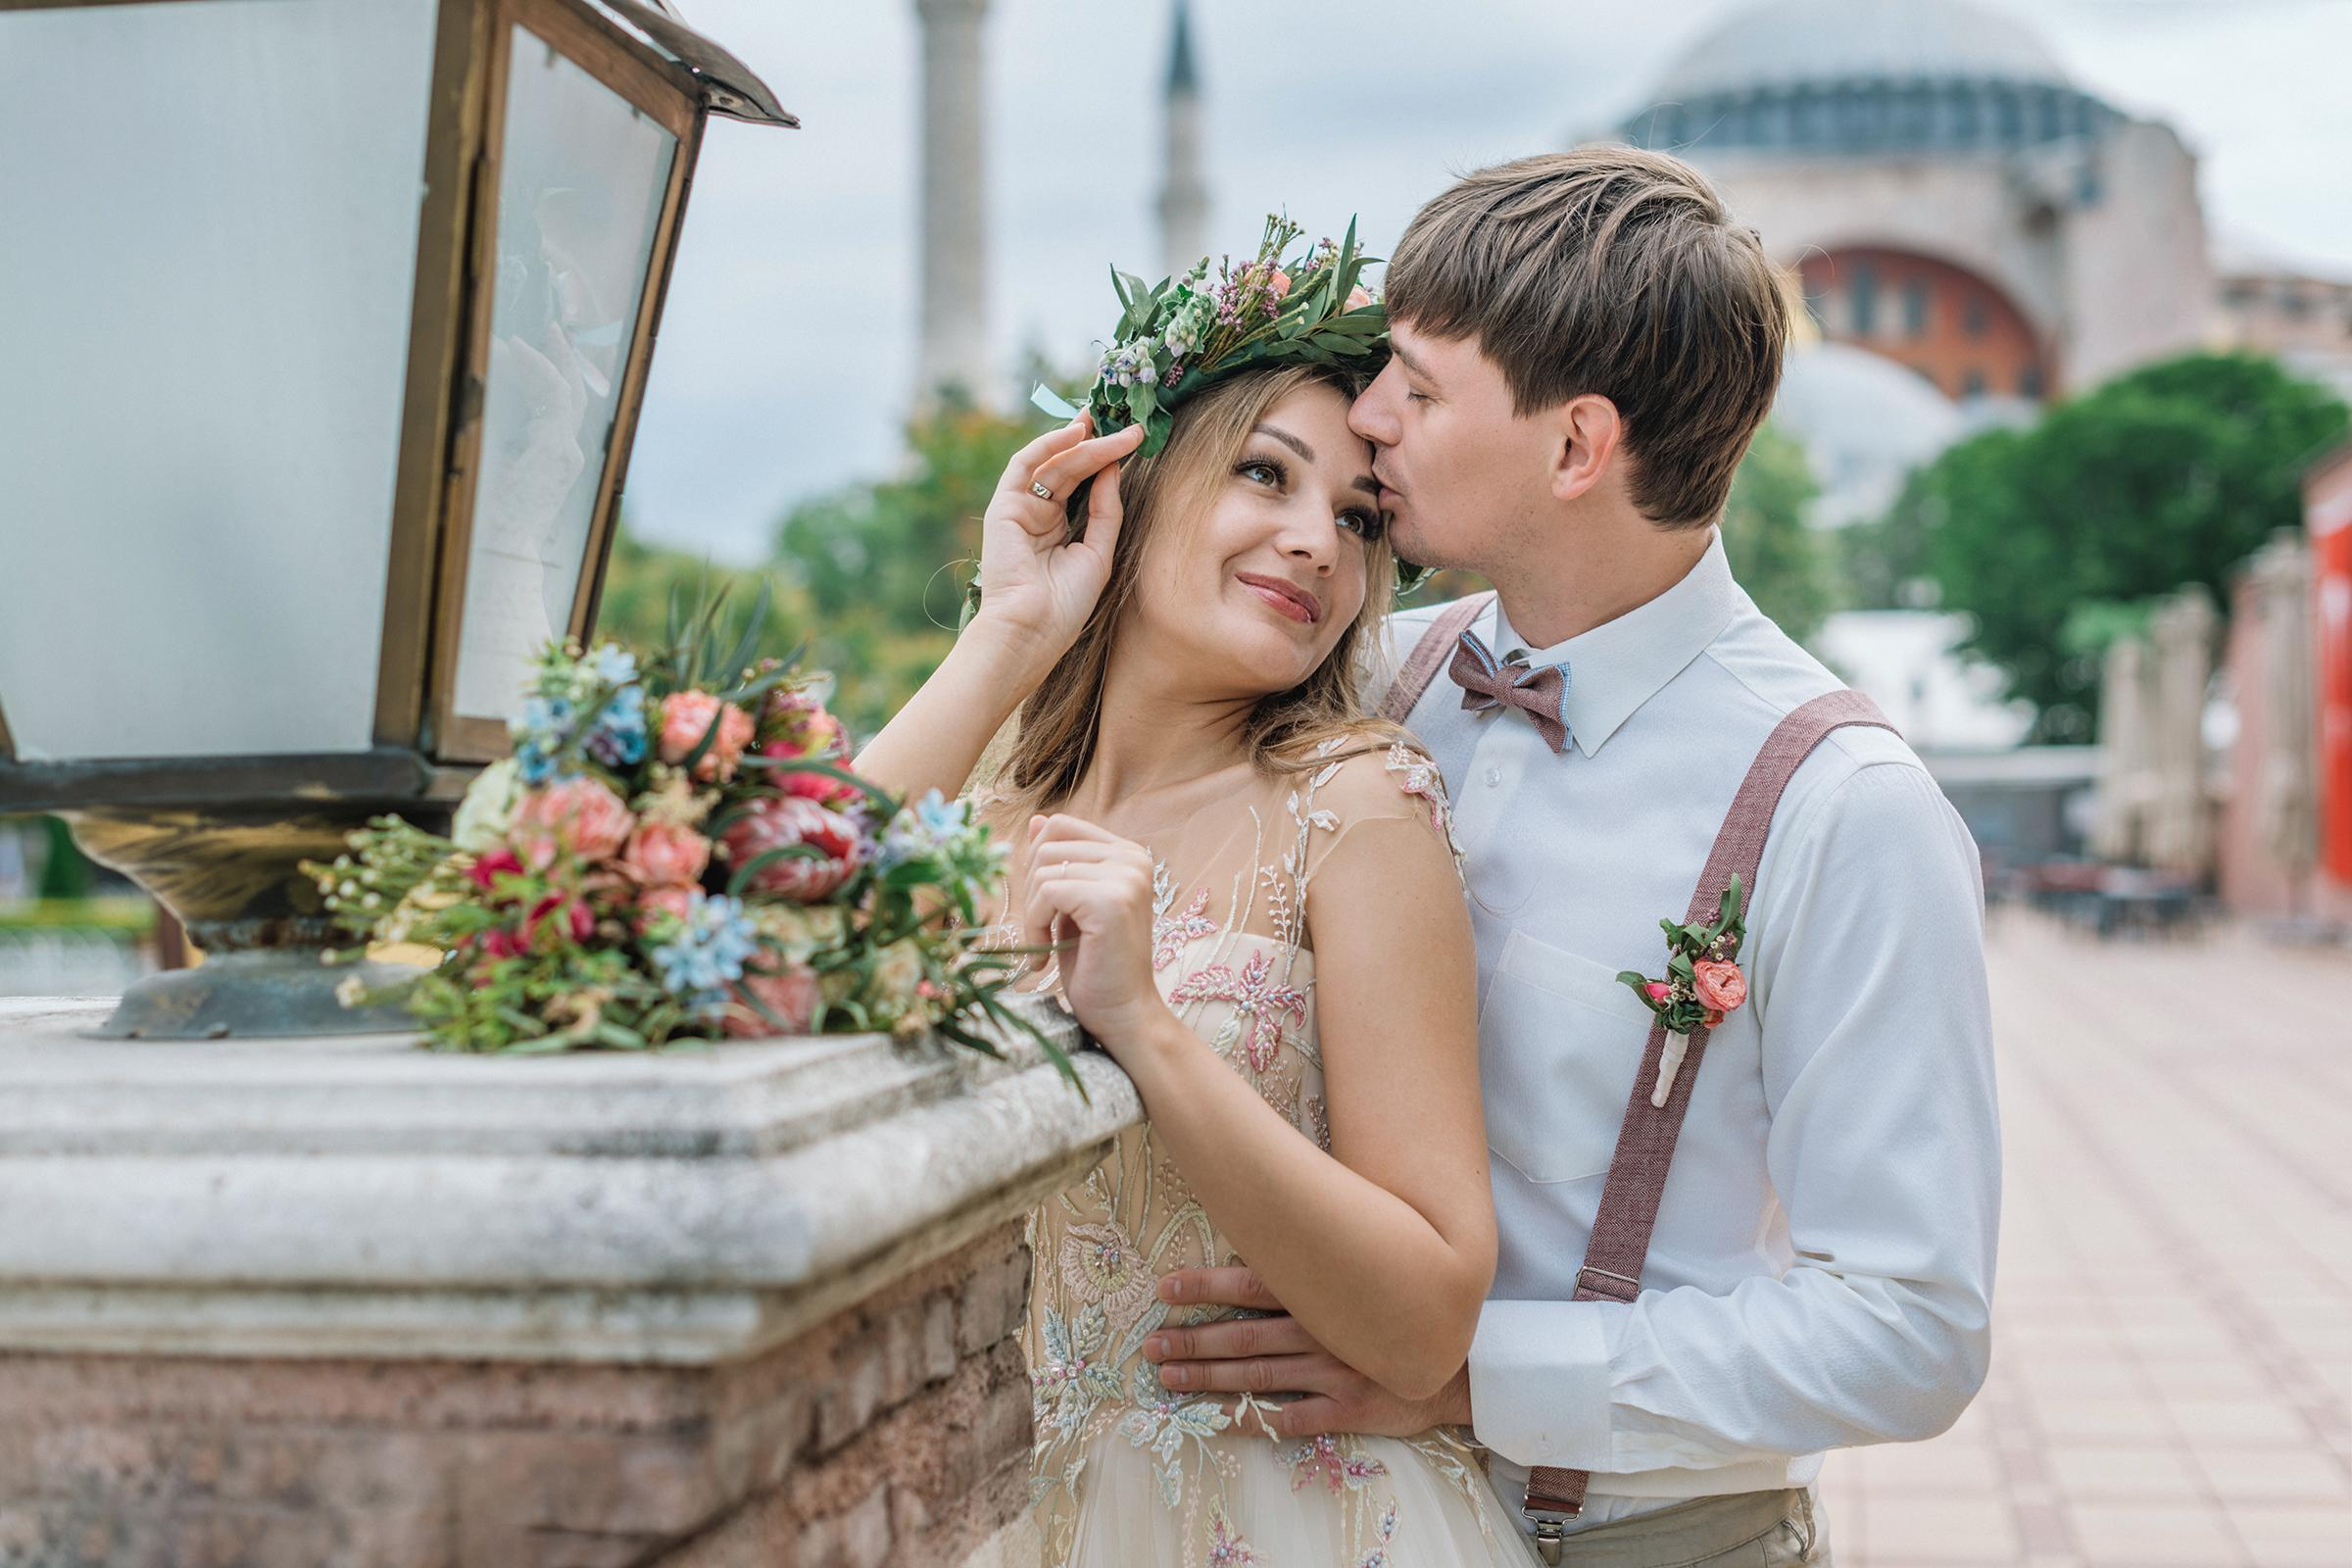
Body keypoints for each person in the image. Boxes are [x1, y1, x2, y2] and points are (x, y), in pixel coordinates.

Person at [1139, 151, 2001, 1565]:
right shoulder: (1368, 676)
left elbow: (1913, 1328)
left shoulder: (1845, 807)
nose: (1370, 419)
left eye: (1418, 388)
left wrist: (1478, 1379)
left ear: (1575, 449)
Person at [858, 226, 1540, 1565]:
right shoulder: (973, 822)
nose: (1314, 546)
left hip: (1273, 1512)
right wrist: (1009, 628)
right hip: (993, 1511)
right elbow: (759, 939)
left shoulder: (1354, 804)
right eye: (1265, 475)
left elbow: (1425, 1320)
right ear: (1136, 481)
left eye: (1357, 516)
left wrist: (1151, 1026)